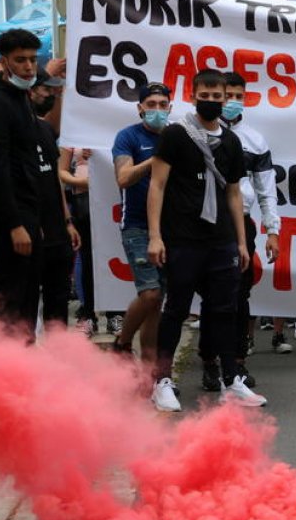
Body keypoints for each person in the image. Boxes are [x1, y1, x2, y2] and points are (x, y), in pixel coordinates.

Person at [147, 69, 265, 410]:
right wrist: (155, 237)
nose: (212, 101)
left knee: (224, 310)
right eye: (206, 95)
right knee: (177, 309)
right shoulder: (175, 134)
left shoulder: (230, 141)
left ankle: (232, 380)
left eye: (218, 96)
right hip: (182, 238)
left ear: (226, 98)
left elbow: (233, 194)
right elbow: (157, 185)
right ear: (194, 93)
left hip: (221, 240)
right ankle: (162, 381)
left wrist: (241, 242)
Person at [197, 71, 281, 389]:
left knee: (240, 293)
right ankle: (209, 360)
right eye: (225, 95)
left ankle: (239, 364)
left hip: (241, 223)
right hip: (204, 222)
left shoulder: (255, 140)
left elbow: (266, 189)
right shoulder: (194, 132)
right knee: (210, 295)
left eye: (237, 96)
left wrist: (273, 229)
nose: (231, 102)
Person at [0, 29, 43, 336]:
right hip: (11, 221)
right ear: (5, 62)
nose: (29, 67)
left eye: (33, 59)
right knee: (11, 301)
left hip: (29, 215)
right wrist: (14, 224)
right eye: (21, 60)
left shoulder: (22, 99)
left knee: (29, 298)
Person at [110, 82, 172, 359]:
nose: (157, 110)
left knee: (156, 304)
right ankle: (122, 343)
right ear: (140, 108)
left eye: (162, 105)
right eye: (151, 105)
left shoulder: (177, 135)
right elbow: (123, 178)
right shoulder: (128, 137)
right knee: (150, 295)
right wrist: (156, 158)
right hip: (137, 225)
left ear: (170, 108)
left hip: (172, 228)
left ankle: (149, 375)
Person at [29, 76, 81, 328]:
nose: (49, 95)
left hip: (57, 228)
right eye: (45, 90)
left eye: (54, 91)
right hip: (29, 228)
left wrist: (67, 220)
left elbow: (53, 181)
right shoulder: (13, 130)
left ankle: (58, 353)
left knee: (58, 297)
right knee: (27, 299)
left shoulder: (46, 130)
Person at [59, 145, 95, 335]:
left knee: (113, 258)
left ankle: (117, 315)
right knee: (87, 258)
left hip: (112, 201)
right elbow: (61, 172)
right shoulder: (72, 131)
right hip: (83, 201)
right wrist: (80, 181)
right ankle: (88, 313)